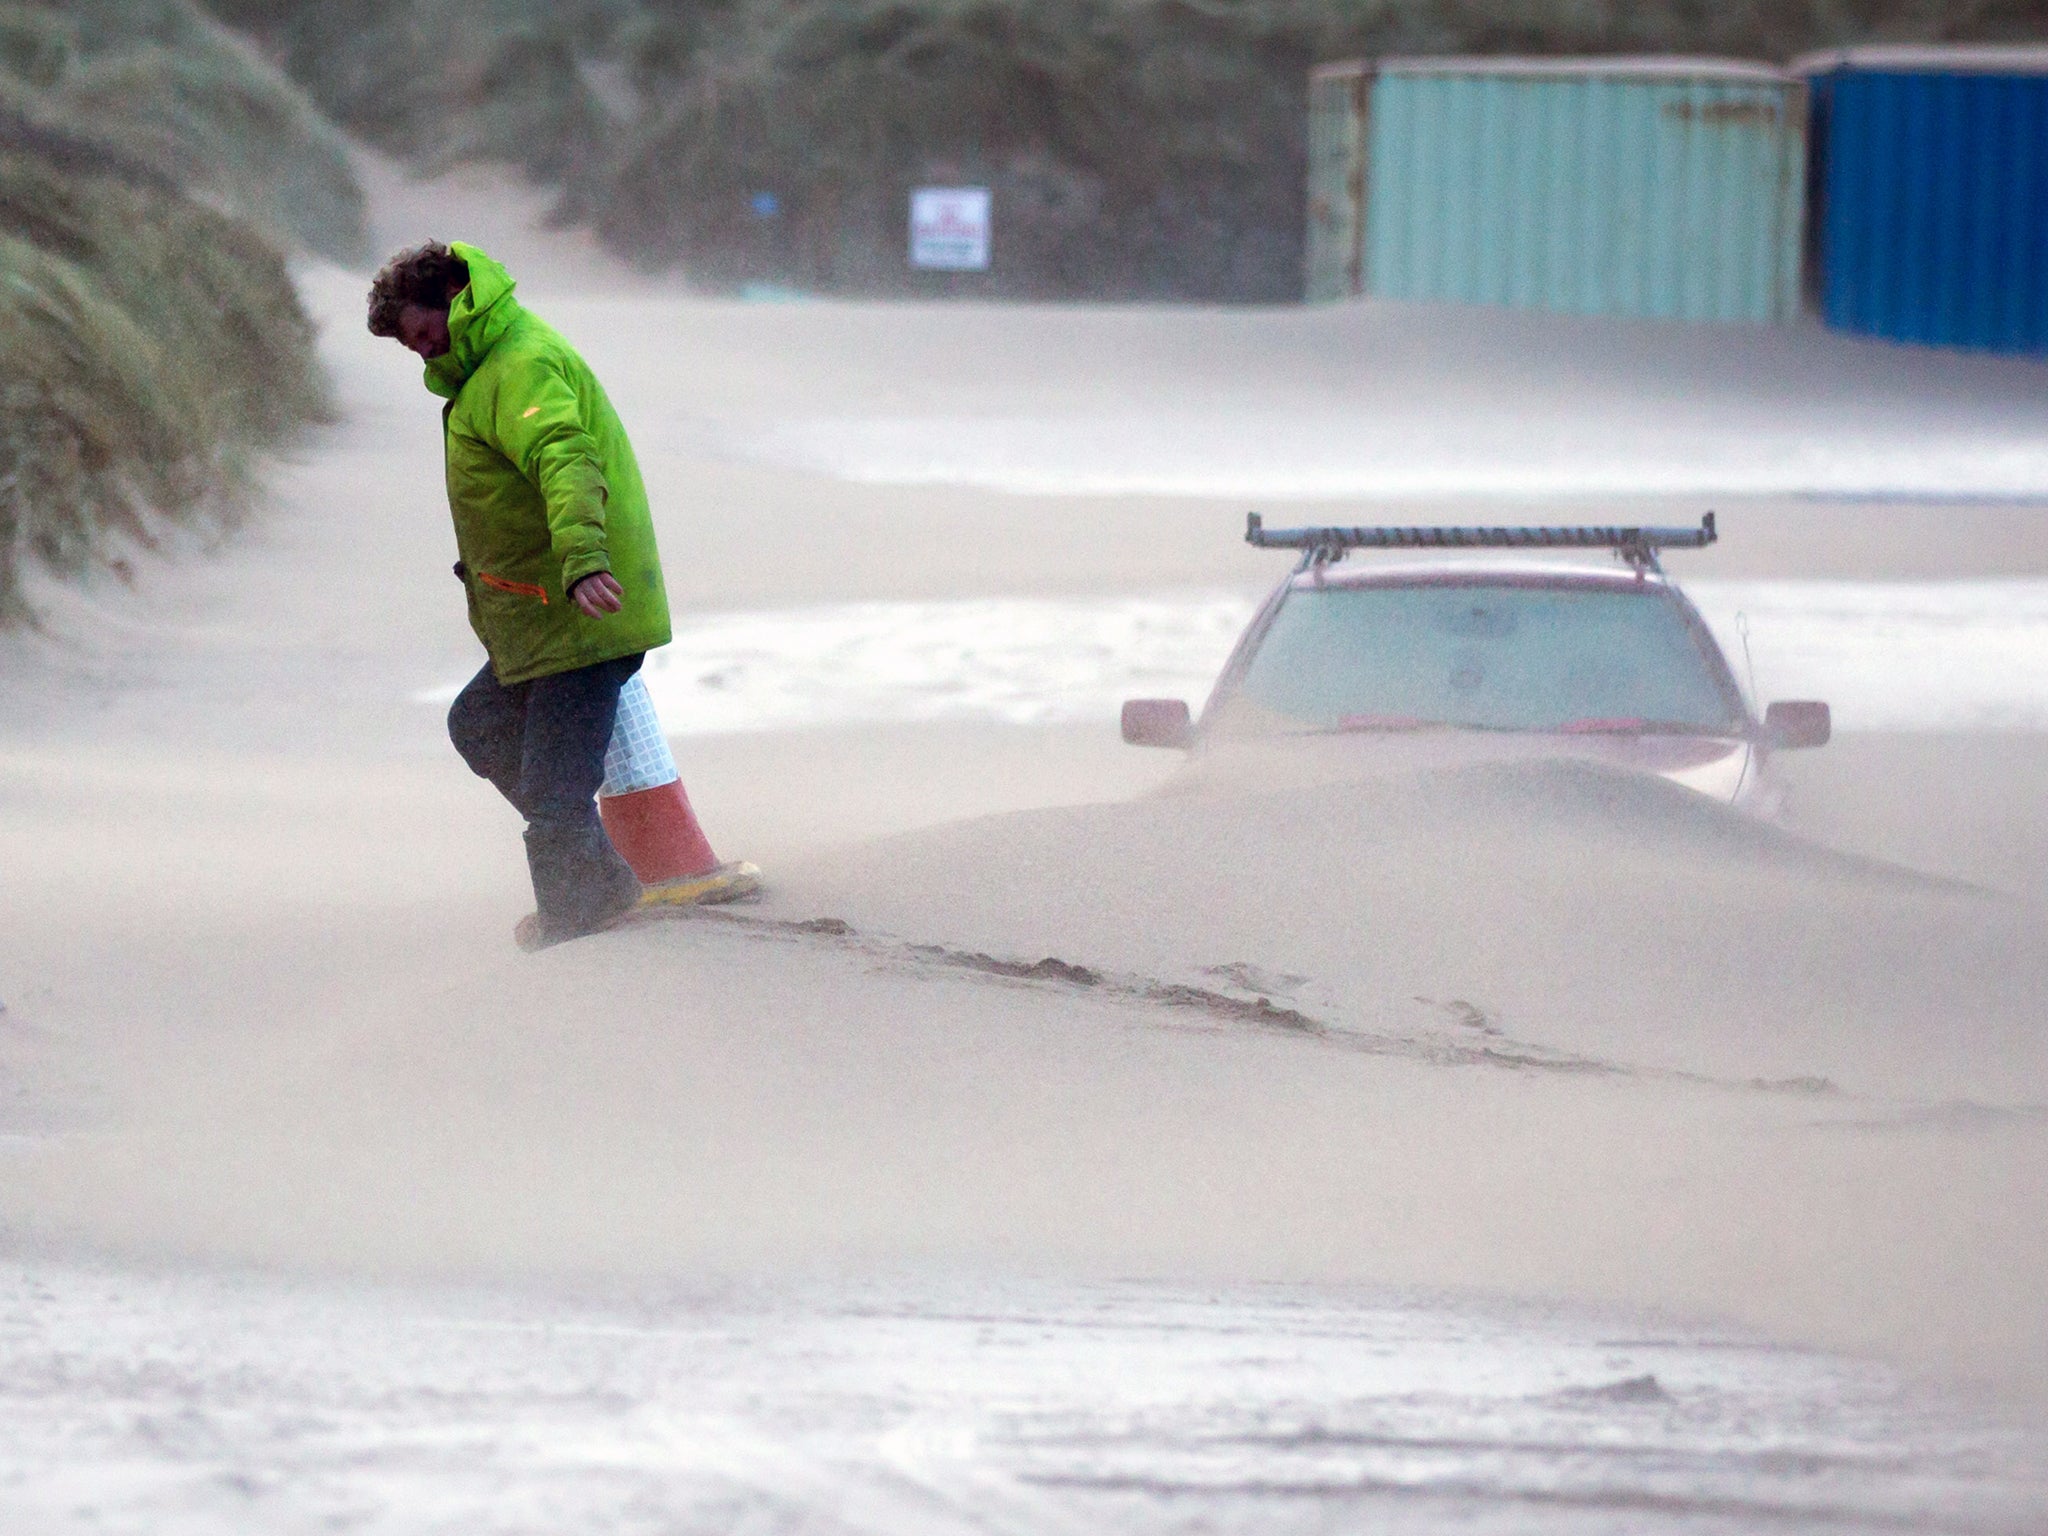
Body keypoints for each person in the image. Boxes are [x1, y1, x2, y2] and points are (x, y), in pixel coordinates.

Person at [366, 240, 756, 949]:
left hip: (577, 613)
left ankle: (582, 918)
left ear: (456, 295)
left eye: (426, 335)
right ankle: (598, 867)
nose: (424, 354)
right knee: (478, 724)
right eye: (412, 348)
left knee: (554, 796)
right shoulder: (485, 371)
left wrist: (582, 563)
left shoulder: (519, 364)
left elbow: (565, 459)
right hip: (539, 620)